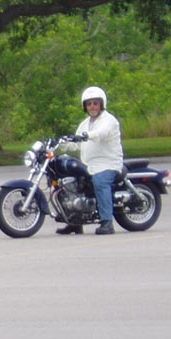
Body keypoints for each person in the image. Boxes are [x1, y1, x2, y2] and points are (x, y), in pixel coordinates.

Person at [60, 86, 124, 235]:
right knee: (67, 182)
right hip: (88, 165)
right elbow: (76, 144)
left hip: (107, 164)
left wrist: (88, 135)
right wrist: (63, 142)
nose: (92, 106)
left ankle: (107, 222)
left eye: (95, 103)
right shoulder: (84, 124)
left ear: (102, 104)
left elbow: (102, 133)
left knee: (100, 182)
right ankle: (74, 222)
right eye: (89, 104)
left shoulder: (109, 120)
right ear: (85, 106)